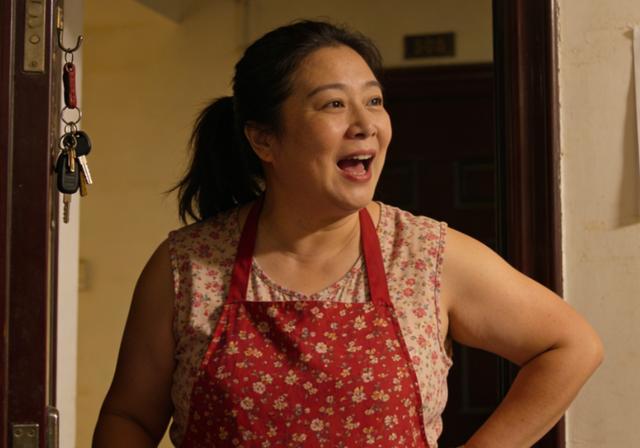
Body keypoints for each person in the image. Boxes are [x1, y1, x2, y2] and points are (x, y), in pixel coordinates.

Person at [93, 20, 603, 448]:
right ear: (264, 139)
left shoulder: (425, 256)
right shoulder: (187, 266)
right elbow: (129, 417)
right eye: (333, 105)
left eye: (374, 101)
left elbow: (571, 346)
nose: (366, 124)